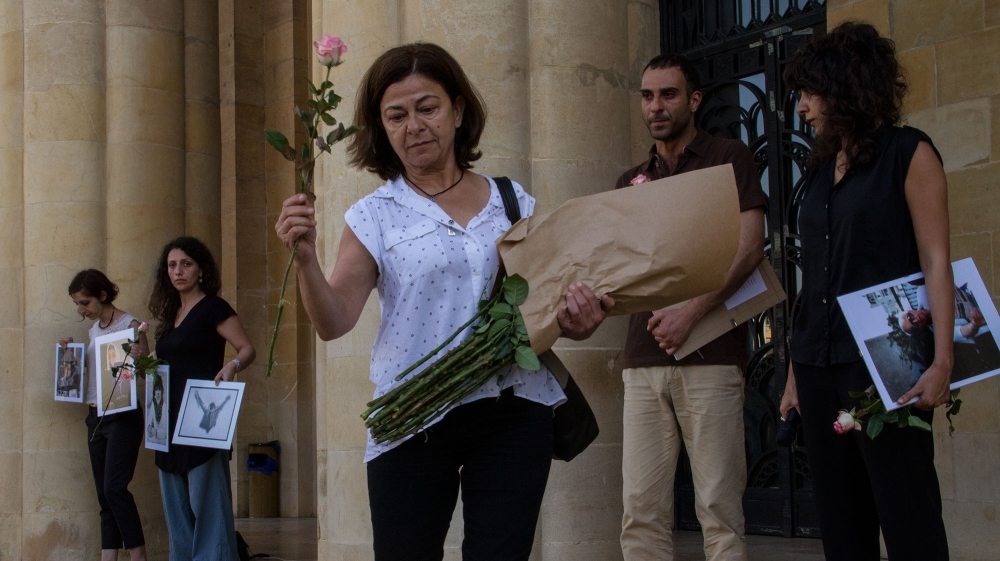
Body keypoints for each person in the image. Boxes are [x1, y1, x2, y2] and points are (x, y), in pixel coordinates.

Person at [274, 42, 612, 560]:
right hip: (412, 412)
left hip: (512, 405)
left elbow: (542, 305)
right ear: (381, 128)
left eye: (427, 108)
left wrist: (578, 320)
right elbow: (334, 320)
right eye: (396, 115)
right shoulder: (375, 213)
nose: (414, 125)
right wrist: (305, 261)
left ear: (457, 109)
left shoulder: (512, 200)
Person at [779, 22, 951, 561]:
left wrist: (943, 361)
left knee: (909, 519)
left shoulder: (909, 152)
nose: (802, 108)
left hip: (887, 367)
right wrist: (791, 377)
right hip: (816, 366)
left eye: (809, 94)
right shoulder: (820, 170)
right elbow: (816, 281)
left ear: (843, 87)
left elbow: (936, 258)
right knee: (842, 528)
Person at [613, 53, 766, 561]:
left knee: (720, 511)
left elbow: (749, 248)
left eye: (668, 94)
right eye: (647, 95)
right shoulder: (629, 180)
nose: (656, 106)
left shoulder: (729, 157)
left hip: (712, 354)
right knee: (640, 511)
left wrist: (691, 312)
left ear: (694, 99)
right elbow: (619, 265)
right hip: (643, 356)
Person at [148, 236, 256, 561]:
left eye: (186, 264)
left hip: (201, 421)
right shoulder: (170, 317)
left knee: (207, 506)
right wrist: (142, 360)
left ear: (200, 269)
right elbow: (167, 361)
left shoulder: (213, 307)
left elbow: (247, 348)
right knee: (177, 512)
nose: (178, 271)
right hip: (165, 422)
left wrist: (233, 366)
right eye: (172, 265)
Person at [60, 269, 149, 561]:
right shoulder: (94, 329)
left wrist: (140, 354)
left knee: (115, 488)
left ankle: (138, 554)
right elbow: (90, 373)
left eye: (85, 302)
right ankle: (107, 556)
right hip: (95, 415)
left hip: (123, 414)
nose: (80, 309)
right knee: (104, 493)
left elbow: (147, 368)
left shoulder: (130, 324)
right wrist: (68, 353)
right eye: (78, 304)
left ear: (102, 295)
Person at [147, 375, 167, 443]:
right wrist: (149, 427)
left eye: (159, 390)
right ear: (154, 392)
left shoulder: (165, 406)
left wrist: (155, 432)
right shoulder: (153, 404)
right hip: (154, 439)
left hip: (163, 440)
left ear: (162, 391)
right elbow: (149, 420)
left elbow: (165, 431)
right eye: (156, 390)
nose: (158, 392)